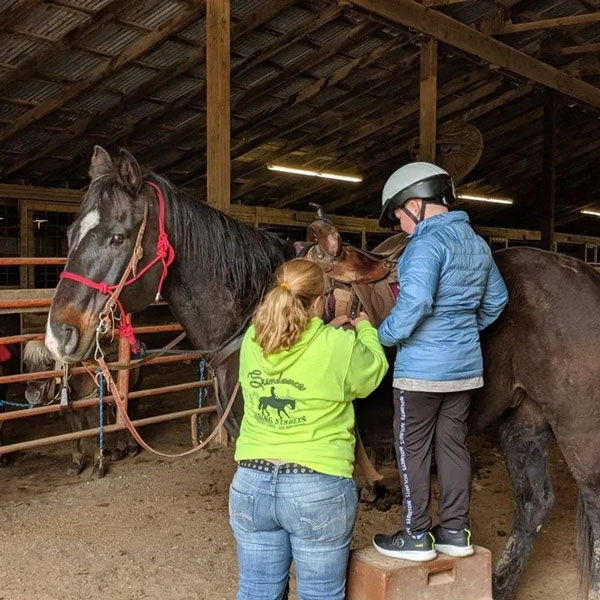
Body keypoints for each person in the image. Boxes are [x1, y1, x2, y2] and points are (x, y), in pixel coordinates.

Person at [372, 162, 509, 562]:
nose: (399, 225)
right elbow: (496, 301)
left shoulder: (424, 246)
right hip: (465, 370)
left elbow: (415, 304)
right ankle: (453, 531)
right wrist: (463, 330)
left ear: (414, 204)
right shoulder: (476, 243)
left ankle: (415, 535)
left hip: (420, 373)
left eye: (399, 215)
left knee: (411, 450)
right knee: (453, 448)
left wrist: (382, 336)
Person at [230, 258, 388, 600]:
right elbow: (373, 371)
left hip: (251, 483)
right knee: (320, 594)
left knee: (256, 591)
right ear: (318, 301)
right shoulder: (338, 347)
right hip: (316, 485)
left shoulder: (252, 340)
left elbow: (292, 339)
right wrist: (363, 328)